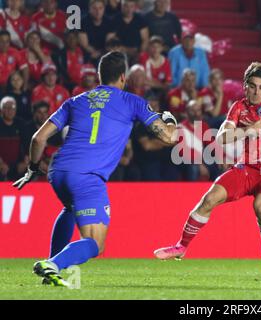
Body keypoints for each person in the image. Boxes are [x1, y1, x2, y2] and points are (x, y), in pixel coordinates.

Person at [12, 51, 178, 287]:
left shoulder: (75, 101)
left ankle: (52, 266)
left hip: (57, 171)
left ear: (100, 76)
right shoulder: (133, 102)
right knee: (95, 243)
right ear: (123, 77)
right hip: (87, 177)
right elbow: (170, 138)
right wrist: (170, 119)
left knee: (70, 208)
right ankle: (53, 265)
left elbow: (39, 139)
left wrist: (32, 167)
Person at [154, 62, 261, 276]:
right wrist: (248, 130)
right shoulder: (238, 107)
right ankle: (181, 247)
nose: (257, 91)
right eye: (252, 86)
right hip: (246, 167)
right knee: (209, 200)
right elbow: (222, 138)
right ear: (245, 86)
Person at [177, 99, 221, 181]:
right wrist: (200, 164)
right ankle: (191, 192)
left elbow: (212, 144)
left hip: (201, 158)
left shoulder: (203, 125)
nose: (196, 113)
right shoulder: (181, 127)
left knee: (218, 165)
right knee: (193, 168)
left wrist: (221, 159)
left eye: (198, 110)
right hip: (186, 160)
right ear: (187, 113)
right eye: (192, 111)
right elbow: (184, 152)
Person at [107, 0, 149, 64]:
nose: (129, 9)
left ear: (135, 7)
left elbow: (145, 40)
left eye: (131, 6)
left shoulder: (140, 20)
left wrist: (140, 54)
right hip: (120, 51)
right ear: (121, 6)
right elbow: (110, 39)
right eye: (126, 6)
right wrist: (121, 49)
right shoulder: (114, 20)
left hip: (136, 52)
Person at [79, 0, 113, 64]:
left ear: (104, 9)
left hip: (104, 52)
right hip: (88, 53)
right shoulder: (83, 22)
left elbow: (109, 43)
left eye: (100, 8)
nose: (98, 12)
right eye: (94, 8)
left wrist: (100, 53)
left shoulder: (109, 22)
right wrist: (94, 53)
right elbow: (85, 45)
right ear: (89, 9)